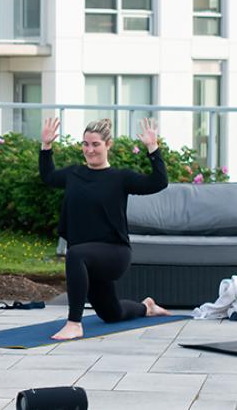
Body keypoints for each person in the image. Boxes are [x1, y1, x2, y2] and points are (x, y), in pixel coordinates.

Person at [39, 116, 171, 341]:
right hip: (88, 260)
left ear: (108, 145)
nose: (89, 150)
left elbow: (158, 182)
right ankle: (147, 307)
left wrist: (152, 147)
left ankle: (74, 324)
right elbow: (48, 176)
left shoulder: (120, 178)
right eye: (85, 144)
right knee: (112, 314)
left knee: (74, 253)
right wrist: (46, 145)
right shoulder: (73, 174)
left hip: (114, 254)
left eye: (95, 144)